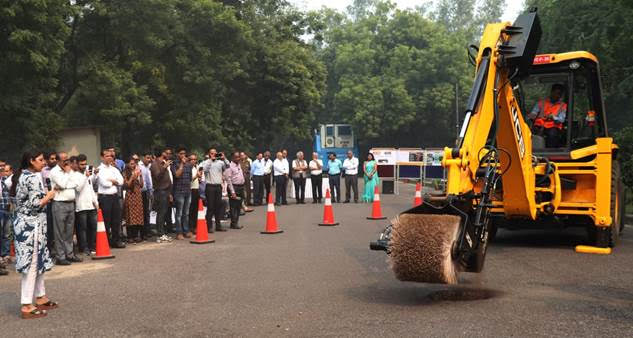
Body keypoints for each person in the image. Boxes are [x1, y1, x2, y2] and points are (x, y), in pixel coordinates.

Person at [11, 151, 58, 319]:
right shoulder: (30, 178)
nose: (43, 162)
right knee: (31, 265)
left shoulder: (26, 175)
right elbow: (34, 205)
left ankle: (40, 297)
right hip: (30, 228)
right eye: (40, 160)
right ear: (31, 161)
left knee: (39, 262)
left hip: (33, 225)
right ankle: (26, 305)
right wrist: (49, 196)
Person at [49, 152, 81, 265]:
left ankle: (70, 254)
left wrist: (66, 181)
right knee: (59, 232)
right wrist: (67, 175)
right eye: (64, 160)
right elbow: (62, 184)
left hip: (70, 203)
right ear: (58, 161)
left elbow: (76, 183)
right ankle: (60, 256)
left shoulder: (68, 170)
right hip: (59, 204)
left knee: (69, 232)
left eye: (67, 159)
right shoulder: (54, 171)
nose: (66, 162)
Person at [96, 149, 126, 248]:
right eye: (107, 156)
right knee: (106, 221)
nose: (109, 158)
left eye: (111, 156)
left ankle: (116, 240)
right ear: (102, 157)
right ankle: (106, 241)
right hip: (105, 198)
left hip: (114, 196)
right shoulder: (100, 169)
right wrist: (113, 182)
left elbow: (121, 181)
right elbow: (104, 184)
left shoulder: (114, 169)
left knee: (116, 220)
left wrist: (113, 181)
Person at [71, 155, 99, 256]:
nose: (83, 166)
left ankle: (92, 246)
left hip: (91, 205)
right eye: (81, 164)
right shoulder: (74, 175)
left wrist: (96, 202)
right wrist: (85, 177)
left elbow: (91, 189)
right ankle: (84, 248)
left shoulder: (87, 175)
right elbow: (78, 189)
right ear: (77, 164)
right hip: (81, 206)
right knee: (82, 228)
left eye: (85, 164)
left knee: (93, 226)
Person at [528, 83, 567, 148]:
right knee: (529, 133)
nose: (558, 96)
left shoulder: (563, 106)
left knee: (552, 135)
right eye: (556, 93)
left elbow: (561, 119)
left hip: (553, 127)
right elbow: (533, 113)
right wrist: (532, 116)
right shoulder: (541, 103)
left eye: (560, 94)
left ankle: (551, 150)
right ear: (552, 92)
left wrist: (553, 117)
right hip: (539, 126)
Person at [202, 148, 229, 232]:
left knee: (218, 206)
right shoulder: (206, 162)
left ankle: (218, 226)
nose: (213, 155)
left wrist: (224, 158)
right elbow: (204, 170)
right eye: (212, 153)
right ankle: (209, 226)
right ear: (209, 154)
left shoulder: (220, 162)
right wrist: (210, 160)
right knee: (210, 207)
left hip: (218, 186)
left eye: (215, 153)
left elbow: (228, 166)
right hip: (210, 186)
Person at [150, 148, 173, 243]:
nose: (167, 155)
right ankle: (160, 234)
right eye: (165, 153)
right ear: (161, 154)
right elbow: (157, 176)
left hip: (166, 191)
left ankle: (162, 233)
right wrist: (164, 167)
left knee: (164, 213)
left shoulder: (163, 163)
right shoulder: (155, 164)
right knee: (161, 213)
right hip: (160, 191)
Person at [171, 147, 193, 240]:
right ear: (177, 154)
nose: (183, 155)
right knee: (179, 214)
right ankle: (179, 232)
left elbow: (190, 178)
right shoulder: (174, 164)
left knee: (186, 213)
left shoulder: (189, 165)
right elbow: (177, 175)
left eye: (184, 153)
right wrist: (182, 165)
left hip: (187, 191)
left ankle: (186, 230)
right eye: (181, 153)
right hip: (178, 192)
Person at [123, 157, 145, 244]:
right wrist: (132, 176)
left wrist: (140, 176)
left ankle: (136, 235)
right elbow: (127, 185)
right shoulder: (125, 173)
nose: (133, 165)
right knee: (130, 216)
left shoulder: (137, 172)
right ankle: (130, 236)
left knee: (138, 216)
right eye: (131, 164)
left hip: (138, 196)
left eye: (134, 164)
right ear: (127, 164)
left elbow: (141, 185)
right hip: (130, 195)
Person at [41, 152, 57, 256]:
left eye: (55, 158)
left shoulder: (58, 170)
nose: (54, 160)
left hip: (59, 200)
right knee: (50, 225)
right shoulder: (42, 171)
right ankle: (50, 249)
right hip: (48, 201)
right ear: (47, 160)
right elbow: (43, 186)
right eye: (52, 159)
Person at [225, 152, 245, 229]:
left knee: (238, 206)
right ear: (232, 158)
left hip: (240, 187)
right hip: (234, 187)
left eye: (238, 157)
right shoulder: (229, 166)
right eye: (236, 157)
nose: (238, 158)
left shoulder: (238, 164)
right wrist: (232, 192)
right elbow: (228, 180)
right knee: (233, 206)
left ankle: (236, 222)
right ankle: (234, 223)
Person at [138, 152, 153, 239]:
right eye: (147, 158)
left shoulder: (149, 166)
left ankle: (147, 231)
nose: (149, 159)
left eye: (150, 158)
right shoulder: (140, 166)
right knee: (142, 213)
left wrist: (150, 191)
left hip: (146, 191)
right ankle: (142, 233)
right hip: (140, 192)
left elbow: (149, 180)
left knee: (147, 212)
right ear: (142, 157)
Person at [188, 153, 202, 233]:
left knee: (196, 209)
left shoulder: (196, 167)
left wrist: (199, 178)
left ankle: (195, 226)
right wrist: (196, 176)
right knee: (191, 209)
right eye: (192, 159)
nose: (193, 161)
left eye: (195, 159)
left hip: (196, 189)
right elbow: (189, 180)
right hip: (191, 189)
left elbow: (197, 179)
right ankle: (191, 227)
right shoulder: (188, 168)